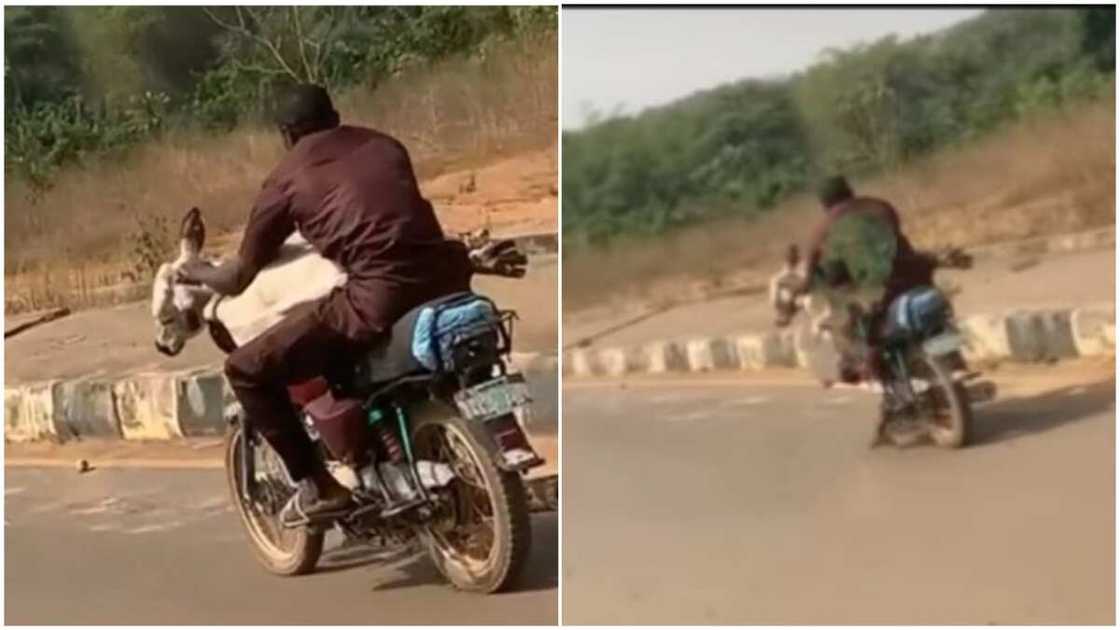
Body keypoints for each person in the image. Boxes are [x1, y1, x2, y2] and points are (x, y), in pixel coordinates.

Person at [176, 84, 476, 524]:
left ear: (285, 134)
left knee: (245, 369)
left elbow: (238, 277)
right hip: (449, 275)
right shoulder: (385, 145)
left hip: (377, 296)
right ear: (335, 117)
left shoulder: (285, 179)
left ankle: (320, 486)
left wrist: (195, 268)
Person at [797, 175, 936, 383]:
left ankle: (867, 362)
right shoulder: (880, 206)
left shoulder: (823, 228)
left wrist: (802, 286)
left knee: (849, 318)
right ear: (849, 190)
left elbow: (808, 269)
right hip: (911, 274)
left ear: (824, 202)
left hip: (874, 290)